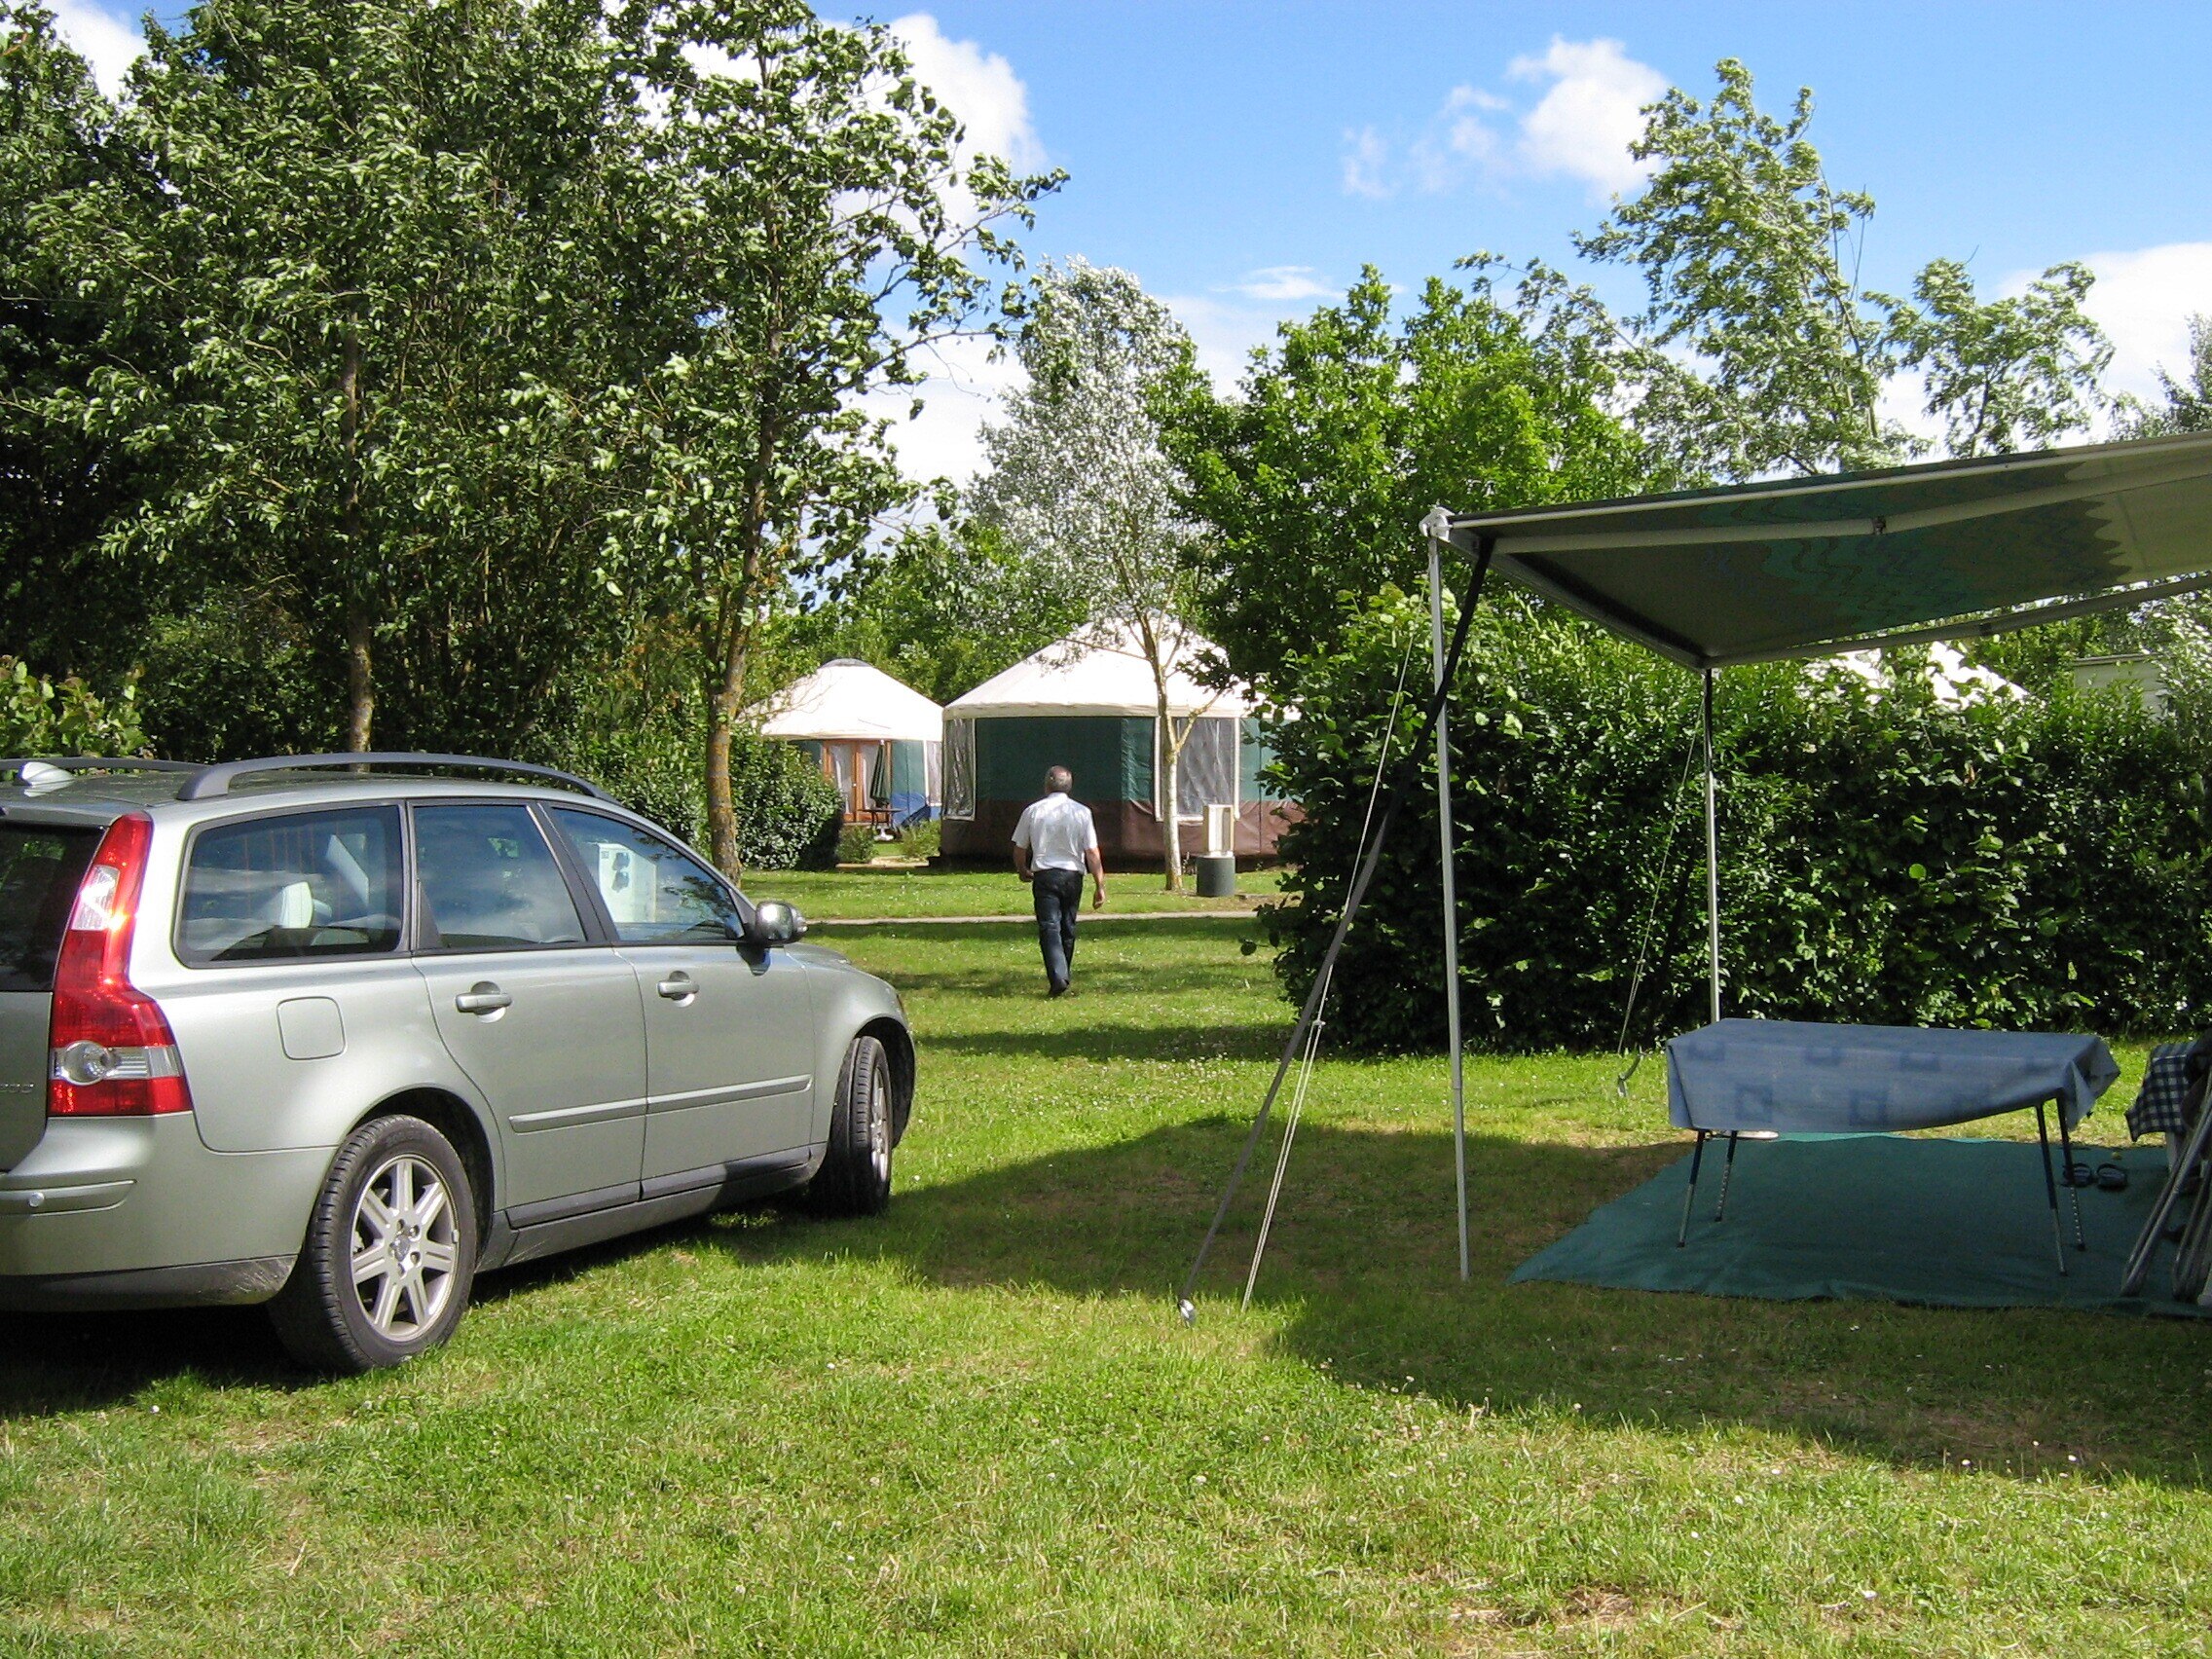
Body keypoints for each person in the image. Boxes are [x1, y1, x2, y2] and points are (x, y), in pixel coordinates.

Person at [1011, 765, 1106, 997]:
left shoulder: (1033, 811)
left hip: (1045, 875)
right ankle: (1063, 973)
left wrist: (1022, 869)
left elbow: (1019, 847)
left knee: (1049, 926)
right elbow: (1092, 851)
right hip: (1073, 875)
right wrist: (1100, 885)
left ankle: (1058, 975)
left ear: (1046, 785)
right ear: (1070, 786)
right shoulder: (1082, 812)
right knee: (1067, 926)